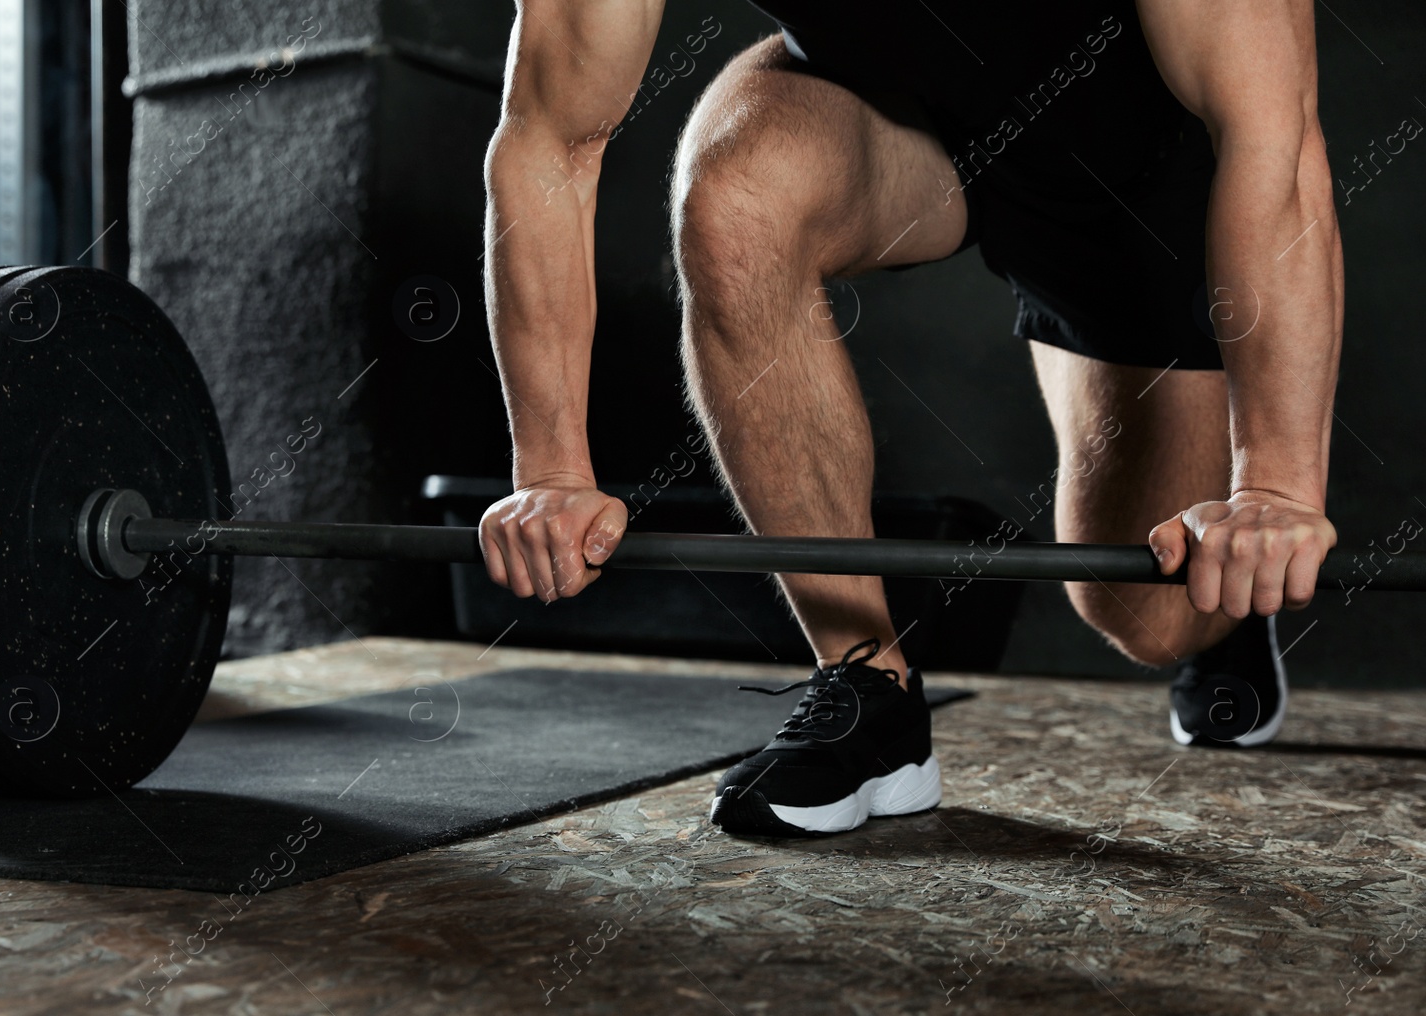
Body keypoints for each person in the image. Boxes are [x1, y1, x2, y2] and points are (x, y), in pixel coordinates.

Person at [476, 0, 1342, 836]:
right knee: (734, 197)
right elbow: (551, 134)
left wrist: (1271, 487)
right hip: (903, 121)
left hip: (1134, 185)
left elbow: (1273, 140)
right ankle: (867, 691)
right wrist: (550, 471)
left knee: (1149, 619)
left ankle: (1232, 618)